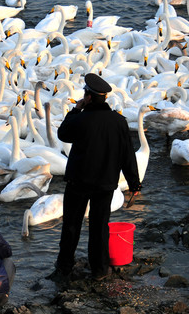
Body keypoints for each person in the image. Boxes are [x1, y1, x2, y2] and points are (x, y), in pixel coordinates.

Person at [55, 73, 142, 281]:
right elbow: (127, 154)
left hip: (79, 182)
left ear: (89, 97)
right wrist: (134, 183)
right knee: (99, 226)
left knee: (71, 225)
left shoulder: (81, 119)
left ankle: (64, 267)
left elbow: (63, 134)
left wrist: (75, 110)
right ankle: (100, 269)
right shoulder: (119, 121)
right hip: (105, 183)